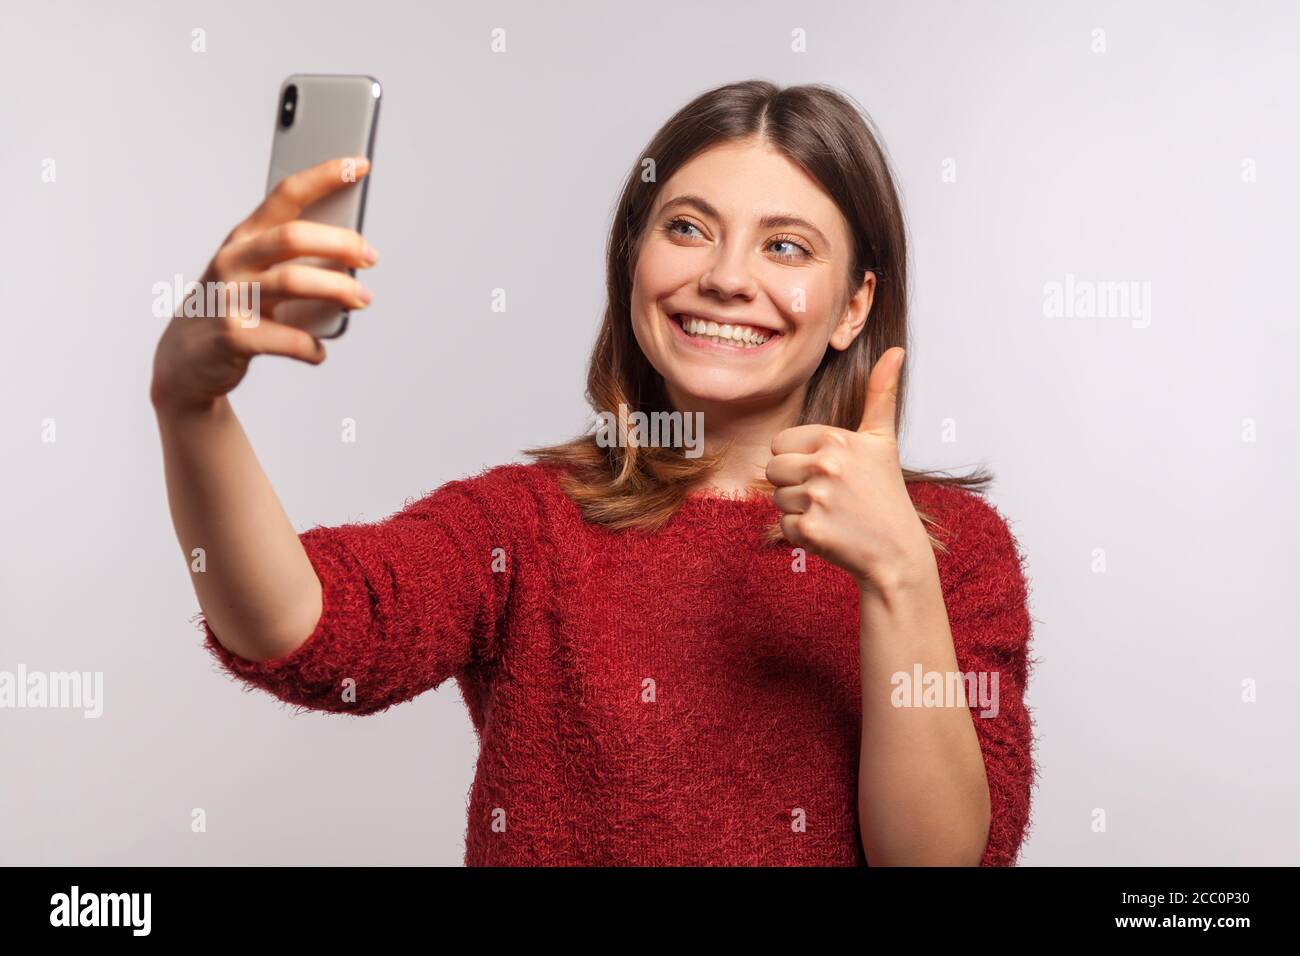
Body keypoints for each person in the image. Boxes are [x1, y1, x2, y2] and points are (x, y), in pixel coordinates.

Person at [151, 79, 1036, 866]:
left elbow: (938, 861)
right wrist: (191, 410)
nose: (726, 277)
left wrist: (897, 577)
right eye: (687, 229)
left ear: (854, 307)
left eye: (786, 247)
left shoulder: (950, 552)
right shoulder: (526, 525)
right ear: (633, 262)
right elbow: (305, 628)